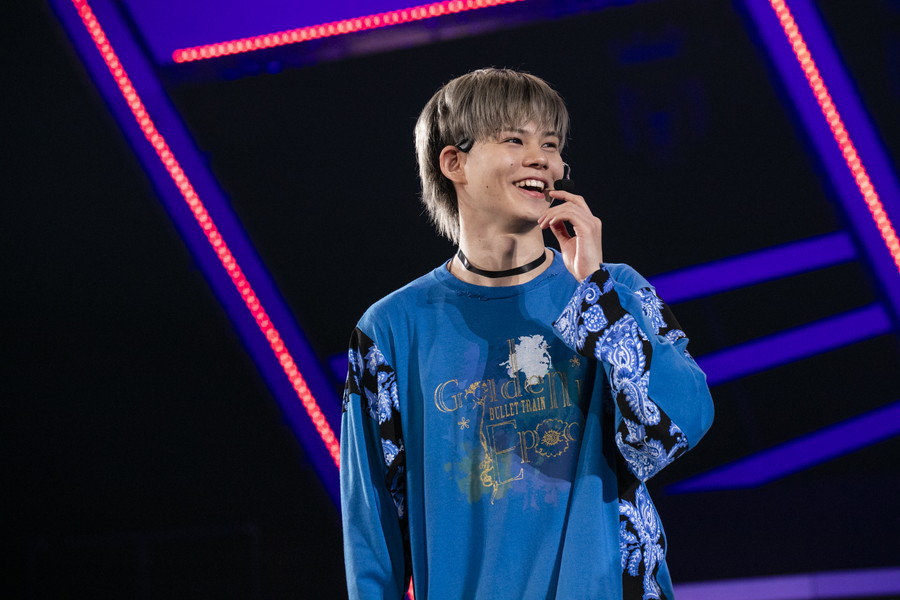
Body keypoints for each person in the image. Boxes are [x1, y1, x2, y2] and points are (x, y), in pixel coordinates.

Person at [340, 68, 714, 600]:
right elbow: (373, 529)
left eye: (551, 144)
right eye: (514, 140)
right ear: (454, 163)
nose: (542, 159)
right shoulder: (392, 329)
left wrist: (596, 292)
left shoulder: (615, 291)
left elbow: (676, 429)